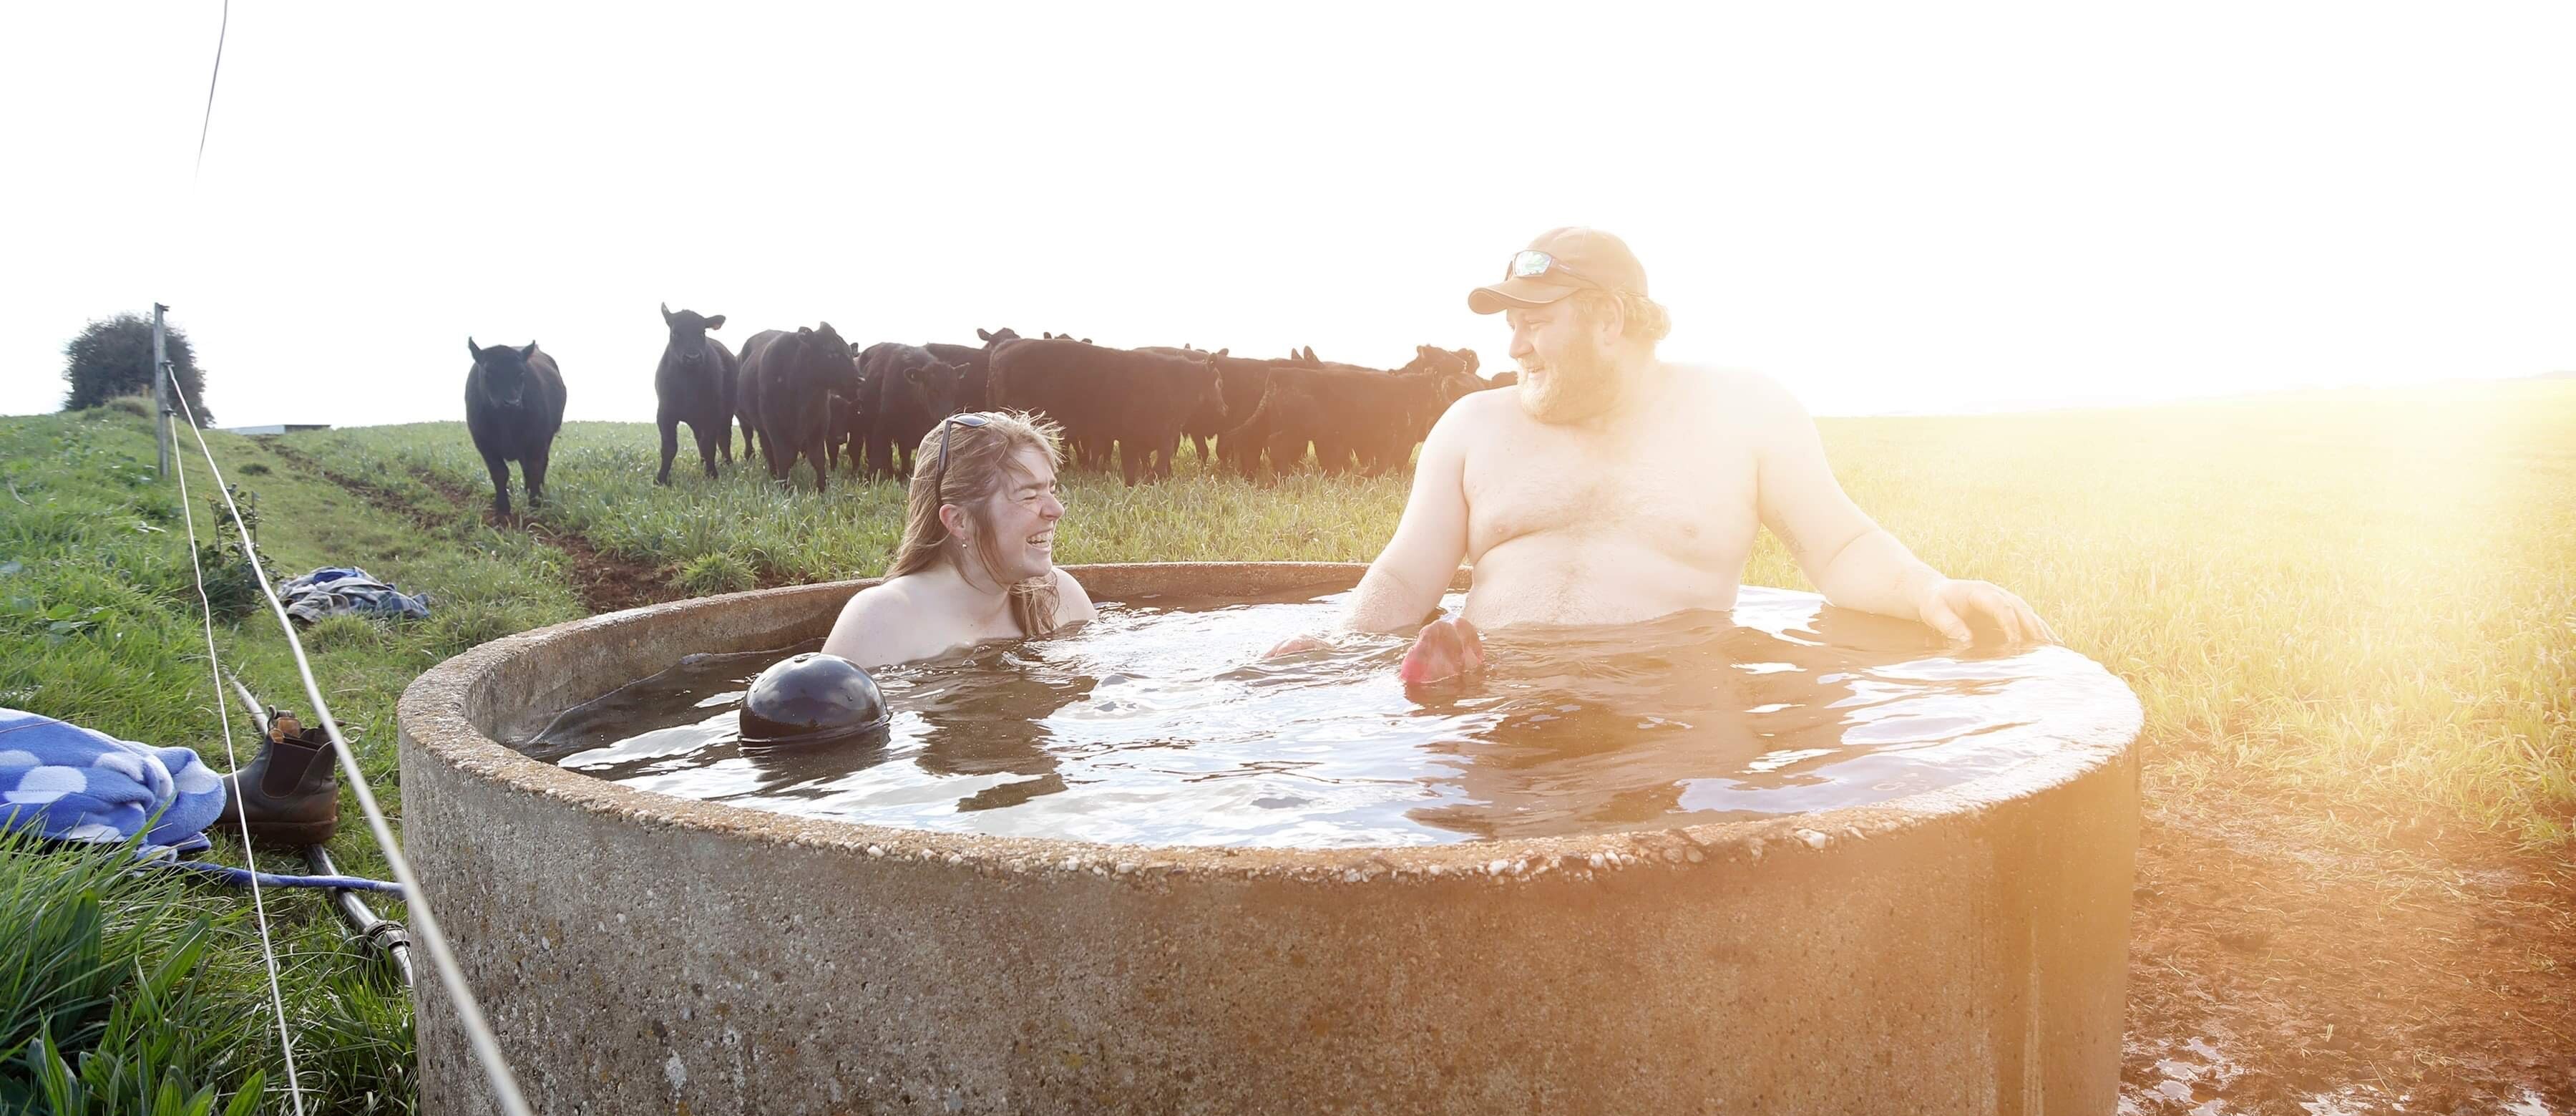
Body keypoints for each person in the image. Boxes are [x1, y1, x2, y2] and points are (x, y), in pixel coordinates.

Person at [1273, 228, 2053, 674]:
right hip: (1489, 706)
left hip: (1663, 714)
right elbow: (1407, 575)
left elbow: (1840, 544)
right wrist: (1331, 650)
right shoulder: (1472, 425)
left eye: (1535, 320)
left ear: (1610, 319)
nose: (1514, 344)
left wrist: (1928, 589)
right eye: (1509, 322)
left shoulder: (1742, 410)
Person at [821, 410, 1096, 669]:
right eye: (1029, 495)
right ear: (959, 521)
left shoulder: (1058, 597)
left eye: (1052, 489)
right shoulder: (881, 622)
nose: (1057, 510)